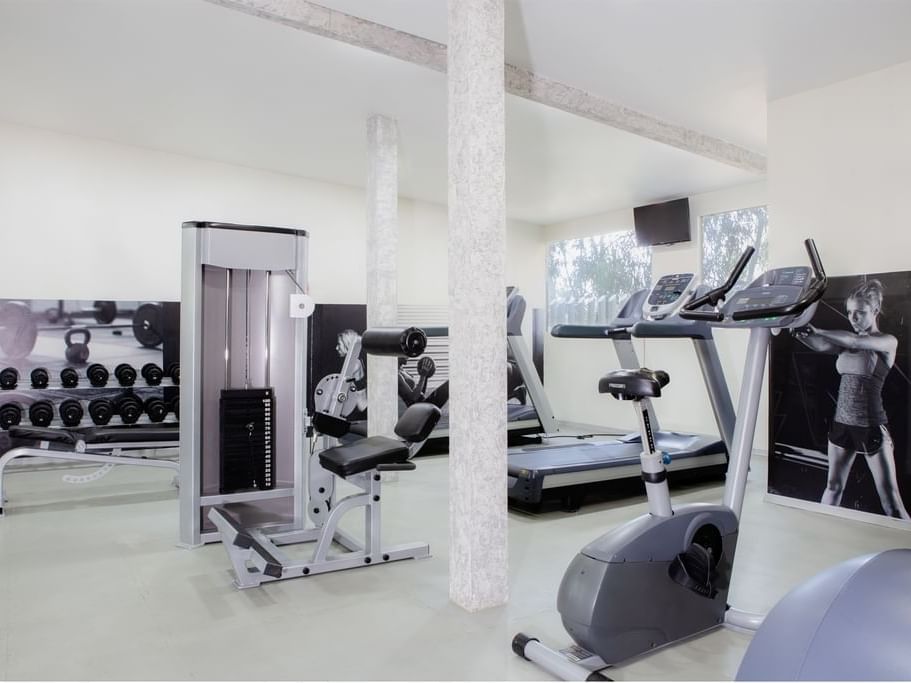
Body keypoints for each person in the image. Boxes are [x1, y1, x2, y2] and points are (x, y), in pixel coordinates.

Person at [794, 279, 909, 519]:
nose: (853, 318)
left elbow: (855, 341)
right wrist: (797, 330)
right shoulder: (844, 344)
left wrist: (819, 330)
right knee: (833, 488)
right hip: (841, 425)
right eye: (849, 313)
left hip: (871, 427)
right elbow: (820, 346)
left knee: (891, 502)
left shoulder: (887, 342)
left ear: (875, 311)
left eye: (860, 313)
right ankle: (820, 536)